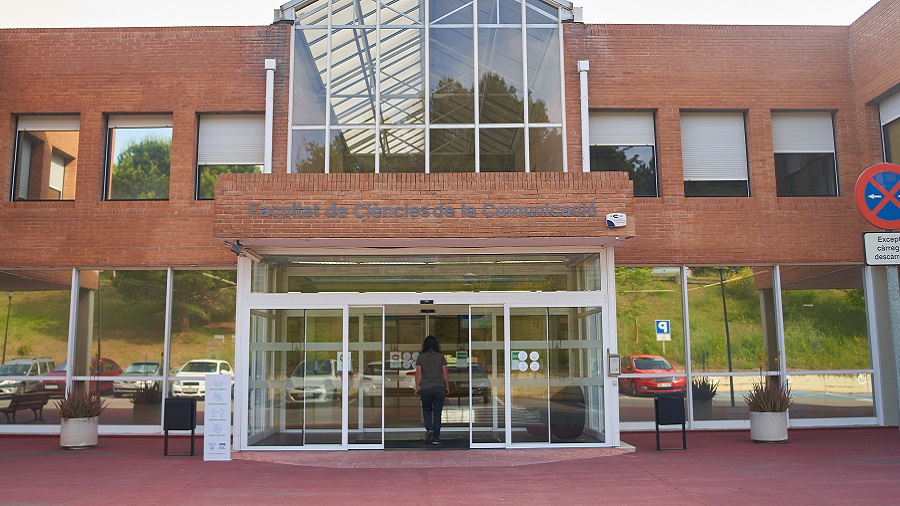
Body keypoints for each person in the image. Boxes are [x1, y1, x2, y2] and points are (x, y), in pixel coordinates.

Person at [414, 335, 450, 445]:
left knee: (426, 409)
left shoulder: (421, 357)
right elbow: (445, 372)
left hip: (425, 388)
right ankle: (436, 438)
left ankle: (429, 429)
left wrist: (416, 387)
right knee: (437, 413)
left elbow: (418, 373)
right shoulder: (440, 357)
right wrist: (447, 386)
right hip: (439, 387)